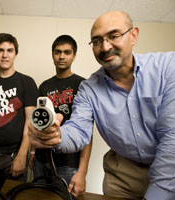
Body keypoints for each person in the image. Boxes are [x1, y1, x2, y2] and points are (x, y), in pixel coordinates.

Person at [28, 10, 175, 200]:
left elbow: (171, 137)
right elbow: (79, 131)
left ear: (134, 35)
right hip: (122, 174)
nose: (105, 47)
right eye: (97, 41)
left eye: (114, 36)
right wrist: (56, 135)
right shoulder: (88, 89)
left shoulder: (168, 67)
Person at [0, 33, 39, 199]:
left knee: (12, 197)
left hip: (14, 156)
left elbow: (30, 122)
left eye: (9, 50)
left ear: (15, 54)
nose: (5, 55)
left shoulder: (27, 82)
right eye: (0, 50)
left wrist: (21, 155)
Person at [29, 35, 92, 197]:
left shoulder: (82, 85)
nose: (62, 56)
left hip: (68, 164)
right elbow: (38, 123)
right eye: (58, 52)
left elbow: (87, 132)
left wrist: (82, 172)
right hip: (41, 160)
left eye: (67, 52)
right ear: (52, 55)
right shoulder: (44, 86)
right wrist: (33, 152)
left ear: (74, 56)